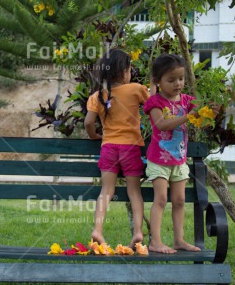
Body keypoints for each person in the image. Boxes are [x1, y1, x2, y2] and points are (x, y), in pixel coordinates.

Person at [84, 48, 150, 248]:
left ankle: (97, 230)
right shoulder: (137, 89)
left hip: (109, 147)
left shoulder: (98, 96)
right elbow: (154, 106)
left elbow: (88, 122)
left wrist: (95, 135)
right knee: (134, 191)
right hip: (130, 148)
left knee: (106, 190)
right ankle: (138, 232)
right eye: (130, 69)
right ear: (123, 71)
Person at [143, 54, 202, 254]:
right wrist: (187, 117)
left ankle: (179, 240)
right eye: (171, 80)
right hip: (158, 160)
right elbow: (161, 124)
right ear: (158, 81)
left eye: (181, 78)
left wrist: (212, 112)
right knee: (160, 199)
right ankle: (156, 242)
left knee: (179, 200)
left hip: (179, 159)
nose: (178, 84)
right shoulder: (155, 102)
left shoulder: (187, 101)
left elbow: (203, 117)